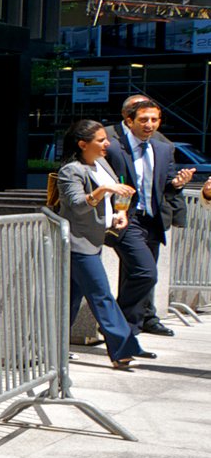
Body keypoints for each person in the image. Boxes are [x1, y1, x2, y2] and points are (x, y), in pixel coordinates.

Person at [57, 119, 153, 369]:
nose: (106, 144)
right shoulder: (71, 171)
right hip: (77, 245)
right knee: (102, 296)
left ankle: (50, 347)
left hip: (93, 242)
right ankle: (124, 348)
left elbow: (110, 200)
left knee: (69, 301)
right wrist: (103, 189)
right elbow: (78, 205)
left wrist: (117, 214)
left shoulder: (100, 164)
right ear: (82, 144)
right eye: (100, 140)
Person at [101, 94, 197, 338]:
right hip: (125, 218)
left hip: (152, 220)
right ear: (129, 120)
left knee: (140, 274)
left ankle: (127, 331)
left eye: (155, 119)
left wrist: (177, 183)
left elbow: (166, 184)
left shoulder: (162, 148)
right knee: (146, 273)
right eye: (143, 119)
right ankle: (121, 325)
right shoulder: (111, 145)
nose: (150, 124)